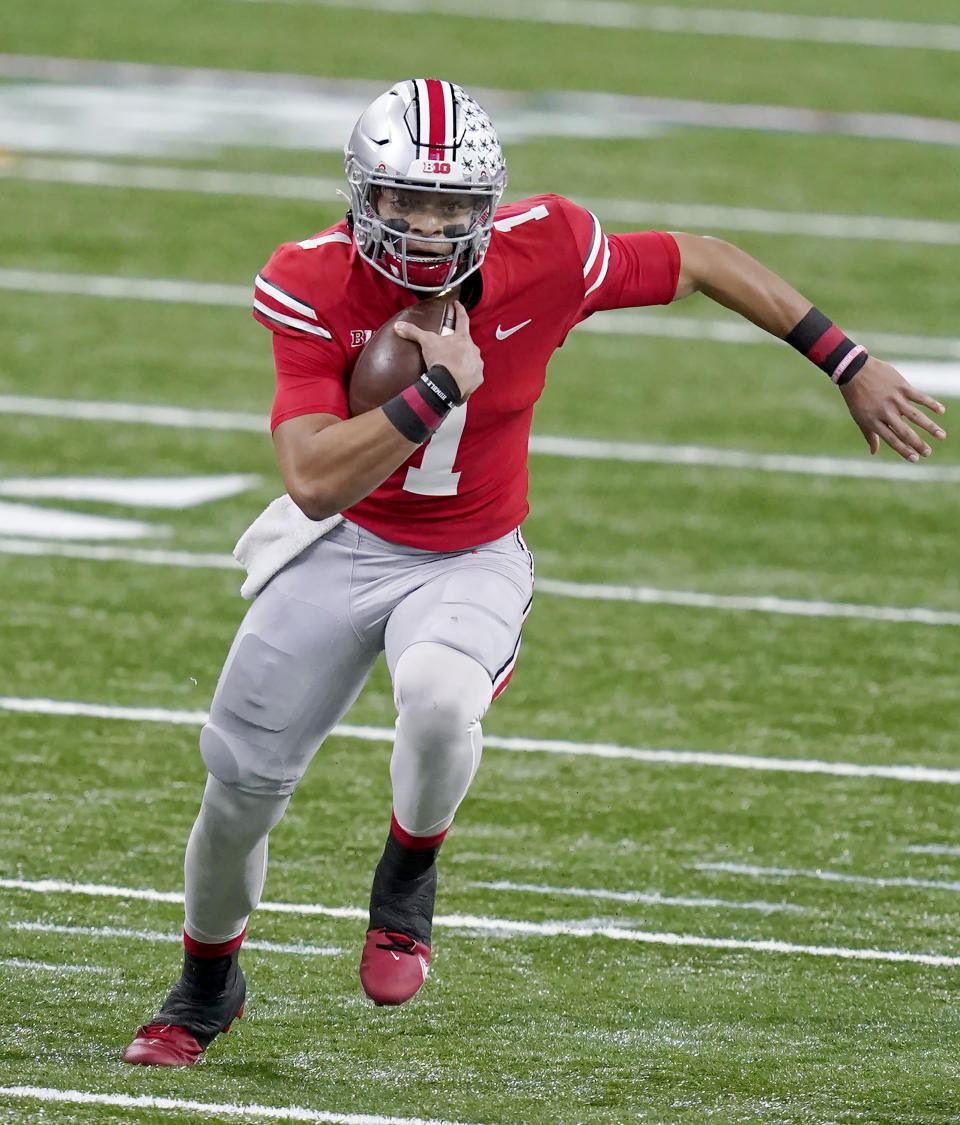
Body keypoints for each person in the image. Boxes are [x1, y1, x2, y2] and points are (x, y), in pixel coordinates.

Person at [122, 77, 946, 1066]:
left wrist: (847, 362)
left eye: (452, 207)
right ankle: (207, 981)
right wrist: (432, 394)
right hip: (340, 547)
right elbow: (308, 482)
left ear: (489, 206)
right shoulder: (313, 282)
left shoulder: (546, 250)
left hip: (469, 555)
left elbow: (702, 260)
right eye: (406, 202)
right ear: (363, 197)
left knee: (436, 700)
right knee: (237, 789)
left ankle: (406, 878)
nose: (428, 228)